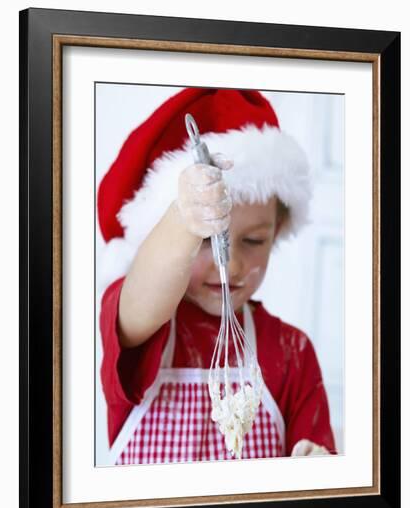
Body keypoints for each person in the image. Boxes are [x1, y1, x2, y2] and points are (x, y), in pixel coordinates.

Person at [97, 87, 337, 465]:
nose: (233, 265)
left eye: (254, 240)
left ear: (279, 231)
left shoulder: (292, 352)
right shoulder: (144, 325)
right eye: (206, 240)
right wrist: (183, 220)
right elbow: (142, 297)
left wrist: (317, 465)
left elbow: (322, 477)